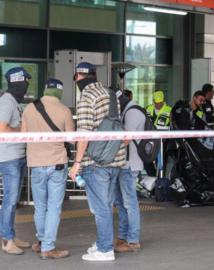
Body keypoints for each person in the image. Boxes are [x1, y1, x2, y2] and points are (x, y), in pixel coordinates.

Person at [68, 62, 127, 261]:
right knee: (106, 205)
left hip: (96, 162)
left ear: (78, 77)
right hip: (115, 158)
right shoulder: (110, 93)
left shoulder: (86, 97)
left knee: (100, 208)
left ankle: (104, 250)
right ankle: (104, 242)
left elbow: (83, 135)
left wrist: (76, 163)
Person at [21, 78, 73, 259]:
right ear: (59, 92)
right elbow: (71, 139)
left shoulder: (29, 108)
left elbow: (24, 136)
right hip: (57, 163)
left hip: (35, 163)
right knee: (53, 207)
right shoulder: (64, 110)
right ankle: (48, 248)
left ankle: (42, 241)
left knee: (40, 206)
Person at [0, 67, 31, 255]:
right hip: (9, 157)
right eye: (26, 83)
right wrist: (22, 132)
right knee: (10, 201)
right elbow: (2, 129)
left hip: (16, 156)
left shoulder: (12, 101)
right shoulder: (7, 102)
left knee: (13, 200)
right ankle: (7, 240)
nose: (27, 87)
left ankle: (11, 234)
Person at [113, 91, 143, 253]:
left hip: (130, 165)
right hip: (123, 163)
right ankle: (123, 237)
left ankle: (133, 240)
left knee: (130, 203)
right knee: (121, 203)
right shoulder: (126, 110)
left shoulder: (132, 112)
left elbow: (125, 139)